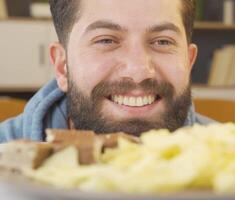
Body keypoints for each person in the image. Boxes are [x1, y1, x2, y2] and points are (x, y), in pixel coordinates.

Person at [0, 0, 214, 143]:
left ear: (189, 61)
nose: (138, 71)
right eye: (106, 40)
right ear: (61, 66)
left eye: (162, 41)